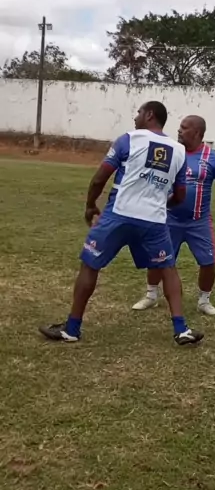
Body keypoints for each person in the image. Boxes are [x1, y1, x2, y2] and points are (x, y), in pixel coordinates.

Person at [39, 101, 203, 346]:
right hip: (154, 222)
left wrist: (90, 205)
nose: (135, 117)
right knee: (168, 268)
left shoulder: (129, 139)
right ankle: (181, 329)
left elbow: (99, 179)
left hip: (118, 215)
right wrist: (158, 203)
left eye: (139, 112)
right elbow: (180, 196)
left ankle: (72, 329)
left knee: (90, 265)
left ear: (149, 115)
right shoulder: (178, 150)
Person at [132, 114, 215, 316]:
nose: (179, 130)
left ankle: (204, 301)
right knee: (158, 257)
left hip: (199, 222)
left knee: (208, 262)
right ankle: (151, 296)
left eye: (184, 127)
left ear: (197, 132)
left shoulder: (212, 158)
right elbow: (152, 178)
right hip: (169, 219)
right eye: (180, 127)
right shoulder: (170, 152)